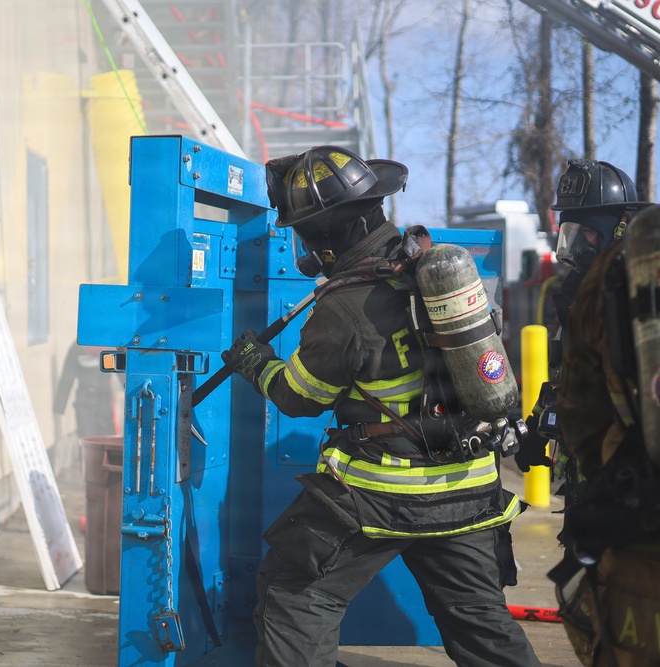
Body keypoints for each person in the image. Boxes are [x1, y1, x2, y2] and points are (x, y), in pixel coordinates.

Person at [223, 145, 539, 666]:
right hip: (470, 488)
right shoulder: (429, 268)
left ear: (324, 235)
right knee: (479, 619)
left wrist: (254, 362)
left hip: (382, 494)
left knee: (294, 595)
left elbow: (299, 397)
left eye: (302, 230)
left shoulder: (344, 307)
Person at [553, 203, 660, 666]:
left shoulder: (615, 272)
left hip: (642, 531)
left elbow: (583, 415)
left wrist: (612, 489)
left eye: (585, 233)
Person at [515, 159, 652, 483]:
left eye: (587, 232)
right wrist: (536, 429)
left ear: (619, 229)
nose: (576, 245)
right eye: (570, 232)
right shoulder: (579, 296)